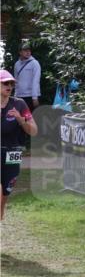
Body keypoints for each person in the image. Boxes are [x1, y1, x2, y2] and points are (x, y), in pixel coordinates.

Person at [1, 69, 38, 220]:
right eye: (5, 83)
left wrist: (21, 120)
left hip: (13, 152)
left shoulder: (19, 104)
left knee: (6, 191)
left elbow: (33, 131)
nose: (9, 86)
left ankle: (1, 209)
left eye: (11, 84)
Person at [13, 41, 41, 111]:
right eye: (25, 50)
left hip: (31, 96)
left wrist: (35, 98)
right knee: (19, 116)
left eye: (29, 50)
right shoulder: (17, 64)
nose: (28, 52)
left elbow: (36, 81)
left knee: (31, 117)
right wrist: (15, 96)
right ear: (20, 52)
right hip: (19, 96)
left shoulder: (35, 63)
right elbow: (16, 81)